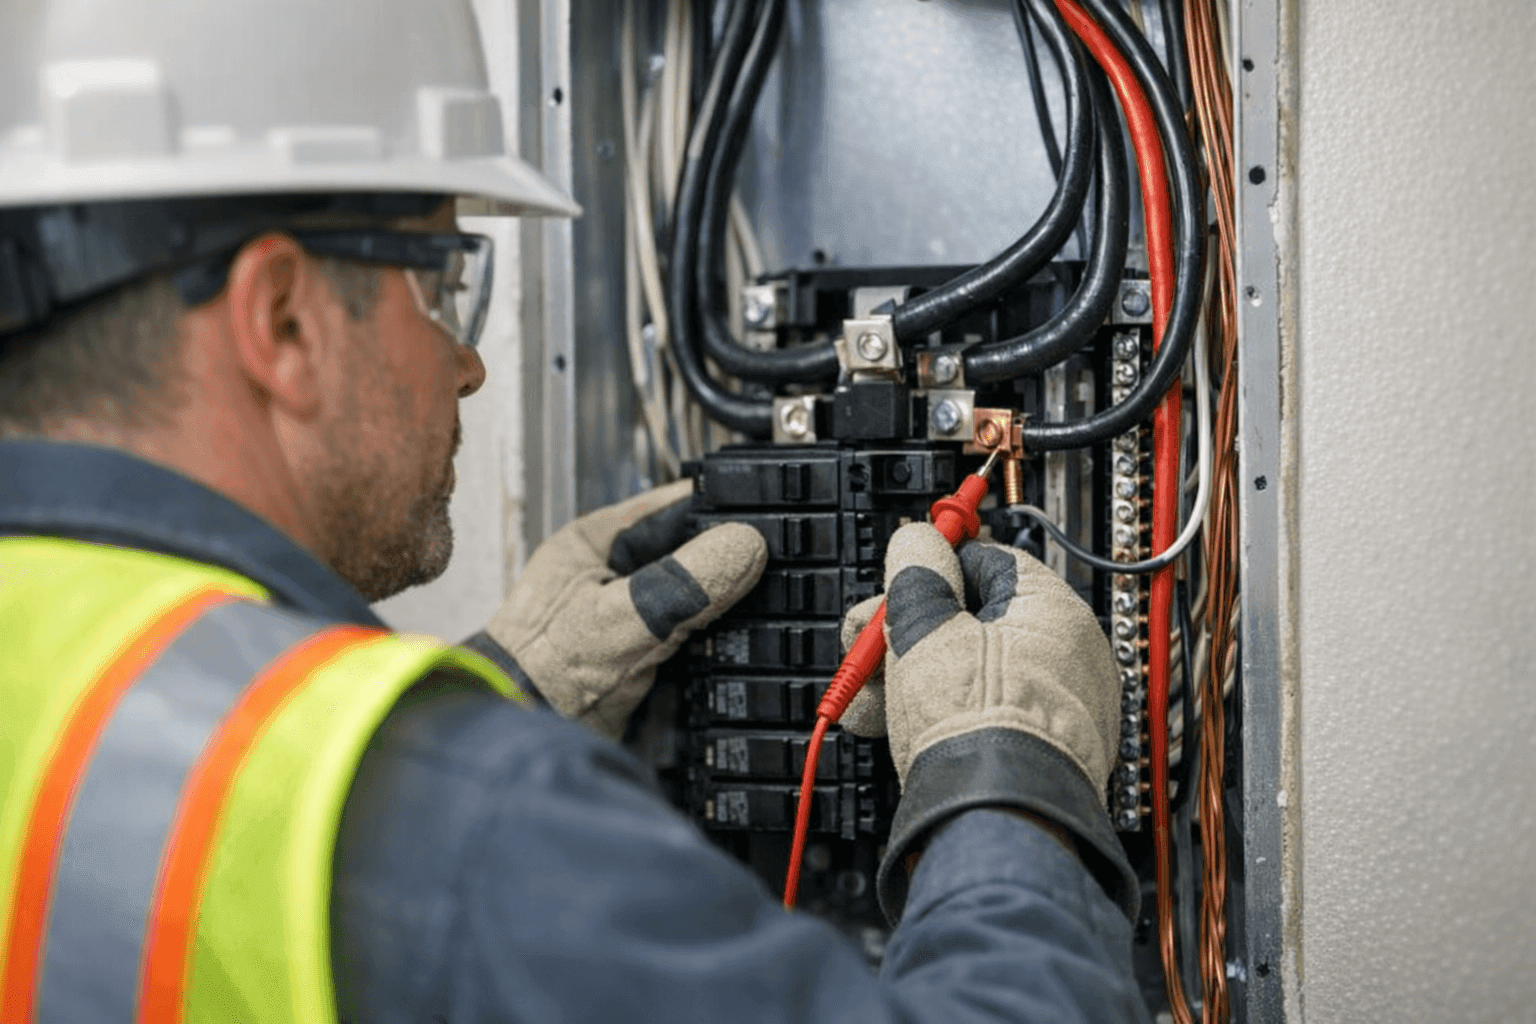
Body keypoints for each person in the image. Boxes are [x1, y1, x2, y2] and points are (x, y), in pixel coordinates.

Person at [0, 0, 1149, 1021]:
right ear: (285, 322)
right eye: (441, 279)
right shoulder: (465, 817)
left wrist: (503, 687)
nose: (467, 364)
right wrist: (1011, 778)